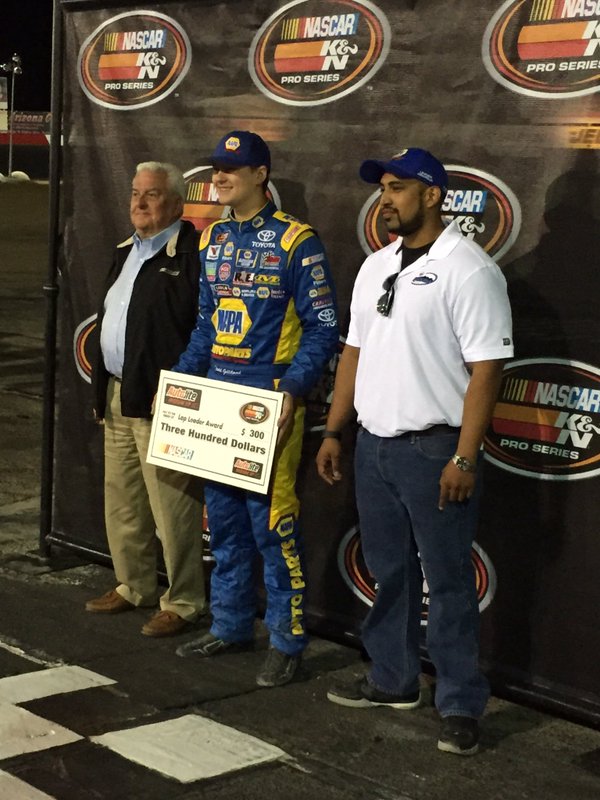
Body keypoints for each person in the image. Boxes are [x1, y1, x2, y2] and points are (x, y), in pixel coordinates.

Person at [316, 148, 513, 755]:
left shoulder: (470, 269)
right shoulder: (375, 266)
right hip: (373, 445)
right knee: (390, 572)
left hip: (434, 451)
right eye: (382, 188)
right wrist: (333, 430)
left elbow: (487, 371)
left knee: (449, 582)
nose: (386, 198)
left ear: (432, 194)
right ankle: (394, 680)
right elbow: (352, 353)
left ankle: (458, 701)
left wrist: (464, 456)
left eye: (398, 187)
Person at [173, 131, 339, 687]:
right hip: (216, 400)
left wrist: (291, 389)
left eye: (233, 169)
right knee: (222, 523)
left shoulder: (298, 241)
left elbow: (323, 328)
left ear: (261, 174)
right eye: (217, 168)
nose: (220, 177)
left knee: (273, 525)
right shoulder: (212, 237)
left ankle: (287, 640)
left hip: (269, 402)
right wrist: (180, 380)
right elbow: (204, 324)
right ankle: (229, 625)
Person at [87, 161, 206, 637]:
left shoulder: (192, 255)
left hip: (164, 401)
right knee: (123, 502)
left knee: (171, 508)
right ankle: (133, 585)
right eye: (135, 193)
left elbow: (203, 328)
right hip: (118, 393)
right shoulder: (124, 250)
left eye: (151, 195)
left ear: (177, 204)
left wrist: (176, 387)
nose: (138, 202)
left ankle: (184, 601)